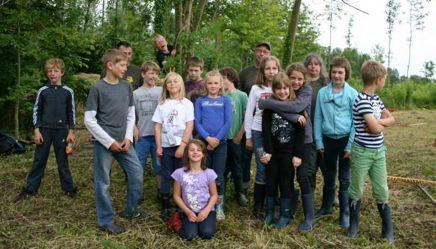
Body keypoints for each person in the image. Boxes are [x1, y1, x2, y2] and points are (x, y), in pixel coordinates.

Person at [84, 49, 144, 234]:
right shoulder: (97, 88)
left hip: (124, 142)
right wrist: (109, 142)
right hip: (104, 144)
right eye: (122, 65)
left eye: (126, 65)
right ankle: (105, 220)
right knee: (103, 182)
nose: (126, 68)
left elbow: (130, 114)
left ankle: (131, 209)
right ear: (110, 65)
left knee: (137, 173)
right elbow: (89, 119)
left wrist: (127, 137)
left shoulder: (126, 87)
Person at [258, 63, 315, 232]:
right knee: (272, 179)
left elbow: (296, 109)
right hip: (275, 150)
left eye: (299, 79)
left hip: (299, 145)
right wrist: (267, 151)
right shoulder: (273, 103)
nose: (296, 82)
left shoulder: (305, 93)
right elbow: (266, 131)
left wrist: (266, 103)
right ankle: (274, 212)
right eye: (293, 78)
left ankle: (305, 216)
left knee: (299, 177)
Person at [15, 58, 77, 201]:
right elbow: (37, 110)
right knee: (39, 159)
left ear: (62, 72)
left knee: (62, 160)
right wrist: (37, 130)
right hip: (44, 131)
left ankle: (69, 189)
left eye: (55, 71)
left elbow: (71, 112)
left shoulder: (68, 92)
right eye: (49, 71)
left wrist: (71, 131)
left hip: (61, 130)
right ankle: (30, 189)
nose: (52, 74)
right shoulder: (43, 91)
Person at [348, 60, 395, 243]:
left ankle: (387, 229)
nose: (384, 82)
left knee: (382, 189)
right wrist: (376, 125)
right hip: (362, 151)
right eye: (384, 79)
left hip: (379, 152)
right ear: (378, 79)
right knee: (357, 187)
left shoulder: (376, 100)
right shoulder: (361, 99)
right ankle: (353, 225)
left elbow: (391, 119)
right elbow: (375, 129)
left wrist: (377, 123)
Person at [314, 57, 358, 229]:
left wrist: (350, 145)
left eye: (341, 72)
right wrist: (319, 141)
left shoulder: (352, 94)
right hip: (327, 140)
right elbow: (318, 117)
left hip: (345, 139)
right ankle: (326, 207)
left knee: (344, 178)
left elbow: (356, 121)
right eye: (334, 72)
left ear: (346, 74)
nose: (337, 75)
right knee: (329, 175)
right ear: (330, 73)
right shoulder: (323, 93)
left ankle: (344, 213)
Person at [152, 72, 194, 221]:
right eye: (169, 82)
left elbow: (189, 125)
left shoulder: (187, 103)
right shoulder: (162, 104)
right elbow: (157, 126)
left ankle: (181, 205)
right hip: (166, 146)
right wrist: (158, 146)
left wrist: (183, 146)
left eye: (175, 81)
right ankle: (165, 205)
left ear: (181, 84)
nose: (172, 84)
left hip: (181, 145)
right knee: (166, 175)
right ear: (165, 86)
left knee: (181, 174)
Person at [245, 55, 280, 219]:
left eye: (274, 68)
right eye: (268, 68)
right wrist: (248, 136)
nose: (271, 72)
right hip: (258, 132)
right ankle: (258, 206)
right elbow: (249, 113)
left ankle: (271, 203)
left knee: (274, 167)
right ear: (263, 71)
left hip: (276, 134)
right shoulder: (256, 89)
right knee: (262, 167)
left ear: (279, 70)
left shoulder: (281, 87)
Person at [194, 70, 232, 221]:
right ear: (205, 84)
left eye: (216, 83)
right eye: (210, 83)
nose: (213, 86)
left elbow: (228, 122)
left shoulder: (225, 100)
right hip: (204, 144)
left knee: (218, 176)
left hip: (221, 144)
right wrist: (208, 138)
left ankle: (219, 206)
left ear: (221, 84)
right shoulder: (200, 101)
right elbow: (197, 121)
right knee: (203, 173)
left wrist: (216, 139)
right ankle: (204, 204)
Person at [239, 41, 272, 195]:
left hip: (271, 128)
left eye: (265, 51)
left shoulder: (278, 78)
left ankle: (269, 195)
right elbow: (241, 99)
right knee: (246, 157)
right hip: (251, 125)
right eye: (259, 51)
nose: (261, 54)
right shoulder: (245, 73)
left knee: (266, 161)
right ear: (254, 52)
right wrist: (246, 133)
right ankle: (244, 186)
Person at [172, 139, 218, 240]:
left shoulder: (209, 173)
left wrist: (206, 211)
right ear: (187, 154)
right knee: (190, 235)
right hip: (188, 210)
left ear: (203, 154)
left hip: (206, 210)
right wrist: (188, 212)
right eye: (192, 150)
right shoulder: (179, 173)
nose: (195, 152)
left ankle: (208, 222)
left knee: (207, 233)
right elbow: (176, 196)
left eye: (199, 150)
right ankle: (176, 222)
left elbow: (214, 195)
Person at [133, 61, 162, 200]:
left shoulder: (161, 91)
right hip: (142, 135)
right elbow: (131, 114)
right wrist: (134, 127)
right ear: (143, 74)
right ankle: (137, 193)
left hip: (158, 137)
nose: (154, 76)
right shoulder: (136, 94)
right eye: (151, 73)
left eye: (156, 74)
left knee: (159, 166)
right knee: (138, 165)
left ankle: (161, 191)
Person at [220, 67, 249, 207]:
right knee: (223, 168)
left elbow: (246, 117)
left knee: (238, 167)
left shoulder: (242, 95)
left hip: (237, 138)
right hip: (223, 139)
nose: (220, 82)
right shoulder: (220, 96)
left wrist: (240, 135)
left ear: (229, 78)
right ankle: (222, 195)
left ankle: (239, 193)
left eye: (222, 79)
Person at [303, 54, 328, 191]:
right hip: (307, 130)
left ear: (320, 67)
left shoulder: (326, 82)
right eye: (310, 64)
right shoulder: (301, 83)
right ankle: (309, 193)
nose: (313, 67)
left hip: (324, 130)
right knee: (310, 165)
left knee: (326, 164)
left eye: (316, 64)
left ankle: (330, 194)